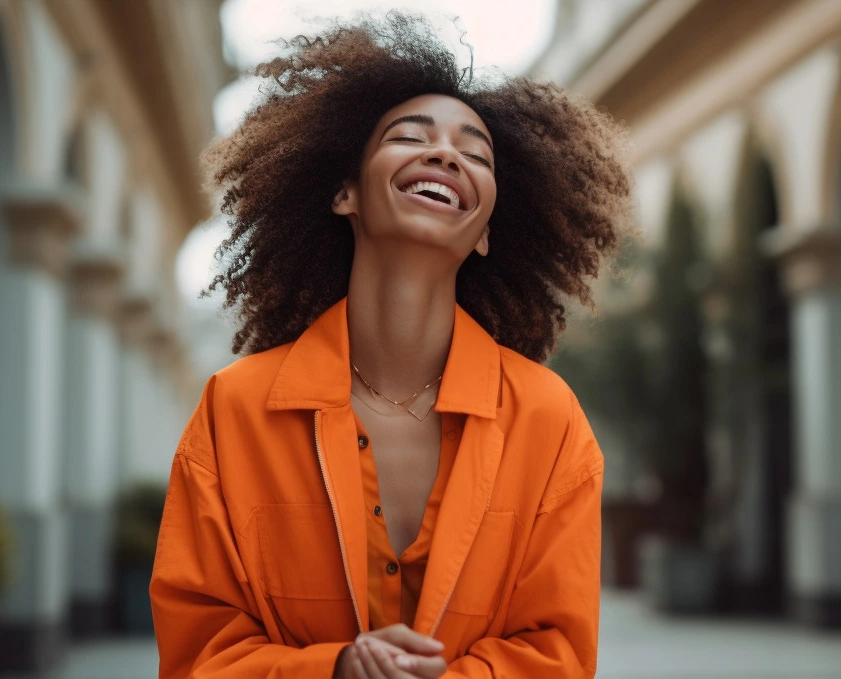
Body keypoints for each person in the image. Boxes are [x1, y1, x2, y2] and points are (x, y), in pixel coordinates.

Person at [150, 12, 632, 678]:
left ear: (487, 228)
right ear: (345, 192)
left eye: (476, 152)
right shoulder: (233, 410)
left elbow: (558, 650)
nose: (446, 155)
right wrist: (336, 668)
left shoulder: (549, 422)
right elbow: (198, 651)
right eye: (412, 137)